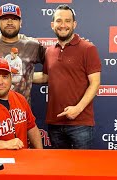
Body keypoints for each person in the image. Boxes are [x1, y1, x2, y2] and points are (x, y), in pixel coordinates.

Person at [33, 4, 101, 149]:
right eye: (58, 21)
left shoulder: (88, 49)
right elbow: (45, 77)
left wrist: (78, 109)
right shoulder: (49, 51)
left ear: (74, 24)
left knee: (82, 169)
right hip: (54, 123)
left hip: (80, 123)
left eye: (67, 21)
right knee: (60, 170)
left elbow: (95, 83)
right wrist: (19, 75)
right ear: (52, 25)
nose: (63, 25)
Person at [0, 3, 45, 105]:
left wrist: (27, 76)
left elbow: (56, 67)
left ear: (20, 22)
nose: (10, 22)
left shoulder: (32, 45)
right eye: (5, 19)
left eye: (14, 19)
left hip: (21, 112)